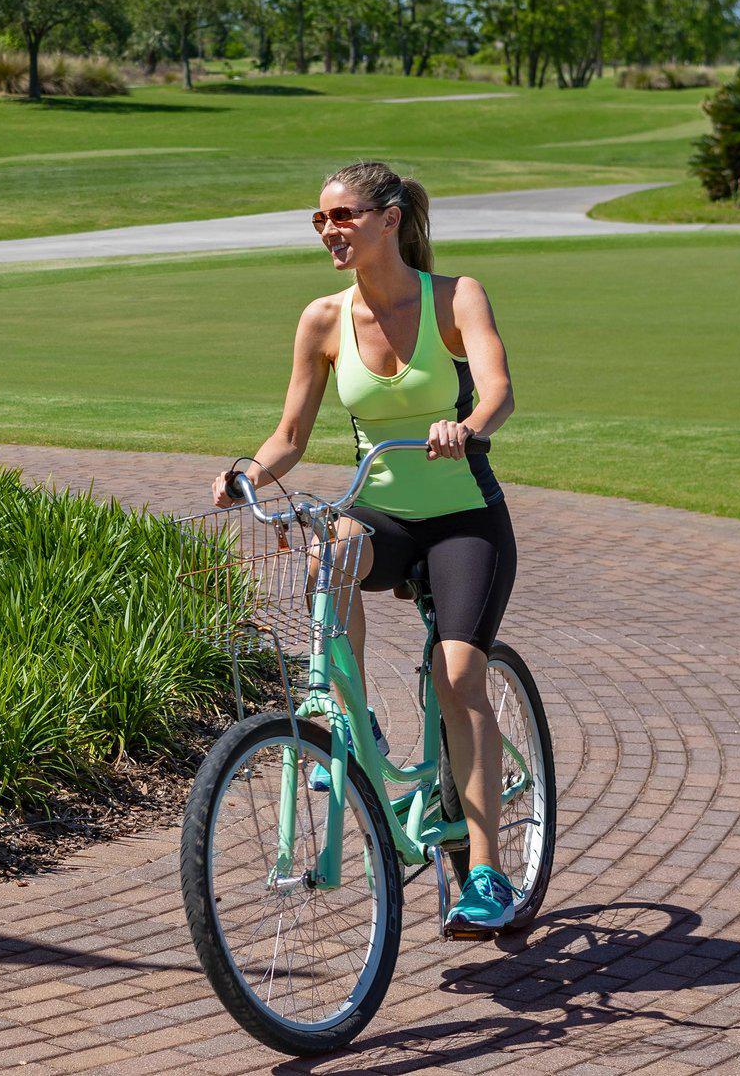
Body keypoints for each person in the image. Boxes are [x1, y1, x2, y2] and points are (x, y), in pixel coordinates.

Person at [211, 159, 521, 934]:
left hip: (462, 517)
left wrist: (468, 428)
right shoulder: (322, 318)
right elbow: (287, 436)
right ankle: (345, 714)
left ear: (389, 218)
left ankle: (486, 873)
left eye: (343, 216)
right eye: (320, 220)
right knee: (330, 549)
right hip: (380, 510)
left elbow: (497, 390)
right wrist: (243, 473)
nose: (329, 231)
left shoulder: (455, 296)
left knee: (458, 680)